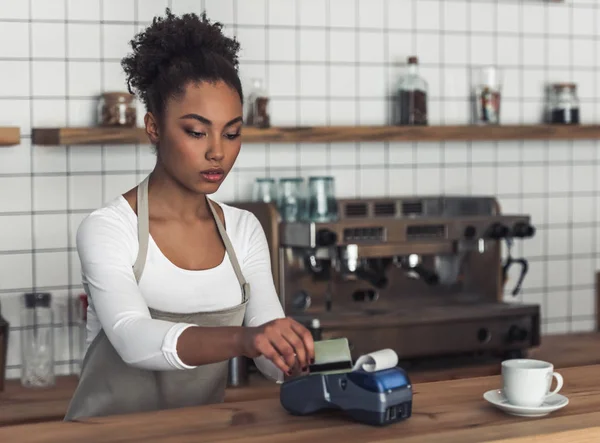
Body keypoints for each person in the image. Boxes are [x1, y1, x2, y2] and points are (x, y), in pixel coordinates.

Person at [64, 9, 314, 421]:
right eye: (197, 132)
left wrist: (291, 353)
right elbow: (133, 339)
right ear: (154, 127)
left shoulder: (244, 230)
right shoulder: (108, 228)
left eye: (232, 133)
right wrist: (245, 339)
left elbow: (268, 358)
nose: (217, 151)